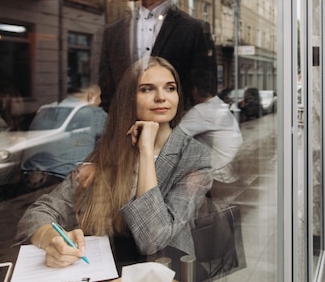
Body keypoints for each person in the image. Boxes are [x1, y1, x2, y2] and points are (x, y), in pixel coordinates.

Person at [16, 57, 213, 266]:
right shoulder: (109, 150)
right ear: (129, 98)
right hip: (104, 268)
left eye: (170, 88)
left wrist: (145, 151)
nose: (161, 97)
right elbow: (38, 213)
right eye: (147, 89)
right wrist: (52, 239)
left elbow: (153, 239)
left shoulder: (195, 156)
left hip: (166, 270)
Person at [99, 0, 217, 111]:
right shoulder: (113, 33)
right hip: (125, 132)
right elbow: (107, 95)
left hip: (174, 130)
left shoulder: (193, 30)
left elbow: (204, 96)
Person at [21, 85, 107, 186]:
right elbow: (118, 133)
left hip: (30, 181)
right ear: (90, 96)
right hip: (64, 183)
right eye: (99, 96)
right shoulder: (94, 114)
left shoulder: (44, 110)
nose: (100, 101)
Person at [180, 69, 243, 184]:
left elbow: (173, 139)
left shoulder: (201, 110)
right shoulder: (218, 104)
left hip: (218, 177)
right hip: (231, 170)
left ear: (194, 90)